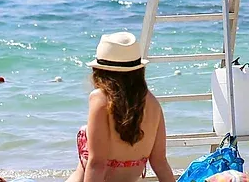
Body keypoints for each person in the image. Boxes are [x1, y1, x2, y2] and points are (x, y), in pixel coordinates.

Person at [66, 32, 175, 182]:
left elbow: (97, 164)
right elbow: (160, 163)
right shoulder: (152, 102)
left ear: (100, 71)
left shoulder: (100, 98)